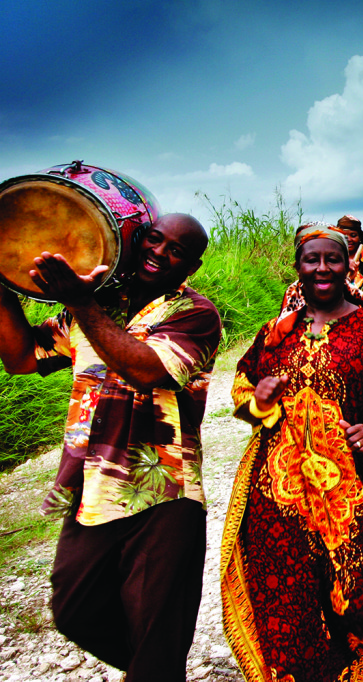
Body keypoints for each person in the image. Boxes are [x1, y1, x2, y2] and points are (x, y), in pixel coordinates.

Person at [0, 214, 220, 681]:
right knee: (72, 607)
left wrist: (80, 302)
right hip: (92, 488)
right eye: (154, 239)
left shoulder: (195, 315)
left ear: (193, 266)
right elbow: (21, 359)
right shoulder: (100, 303)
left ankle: (154, 667)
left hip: (165, 494)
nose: (159, 252)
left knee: (157, 626)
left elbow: (145, 369)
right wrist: (3, 277)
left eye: (176, 250)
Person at [221, 221, 363, 681]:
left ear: (347, 264)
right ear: (298, 267)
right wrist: (261, 402)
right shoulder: (276, 334)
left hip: (347, 490)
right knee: (284, 590)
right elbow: (242, 389)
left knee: (352, 587)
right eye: (311, 259)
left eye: (331, 258)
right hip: (277, 492)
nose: (322, 267)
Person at [336, 214, 363, 282]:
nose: (349, 239)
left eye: (353, 235)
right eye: (344, 236)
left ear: (360, 237)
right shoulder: (332, 258)